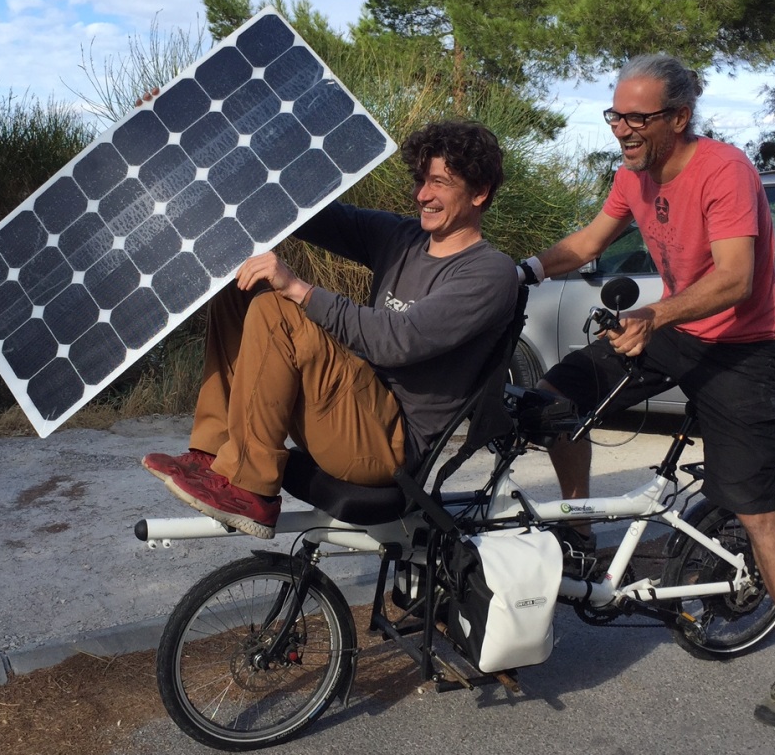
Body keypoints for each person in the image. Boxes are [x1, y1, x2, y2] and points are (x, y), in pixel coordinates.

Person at [517, 53, 775, 726]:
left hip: (742, 345)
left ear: (678, 117)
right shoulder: (632, 176)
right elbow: (590, 241)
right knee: (552, 400)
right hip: (675, 328)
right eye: (615, 115)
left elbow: (737, 277)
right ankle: (578, 528)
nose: (621, 129)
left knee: (750, 500)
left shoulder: (725, 170)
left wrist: (654, 314)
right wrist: (522, 270)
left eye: (636, 117)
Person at [143, 120, 518, 541]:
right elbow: (304, 210)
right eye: (420, 180)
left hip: (388, 445)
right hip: (350, 411)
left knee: (277, 307)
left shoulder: (489, 272)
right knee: (242, 288)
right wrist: (175, 136)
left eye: (439, 183)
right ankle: (211, 455)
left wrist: (299, 288)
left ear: (480, 191)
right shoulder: (403, 238)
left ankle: (250, 488)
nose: (422, 195)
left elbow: (398, 339)